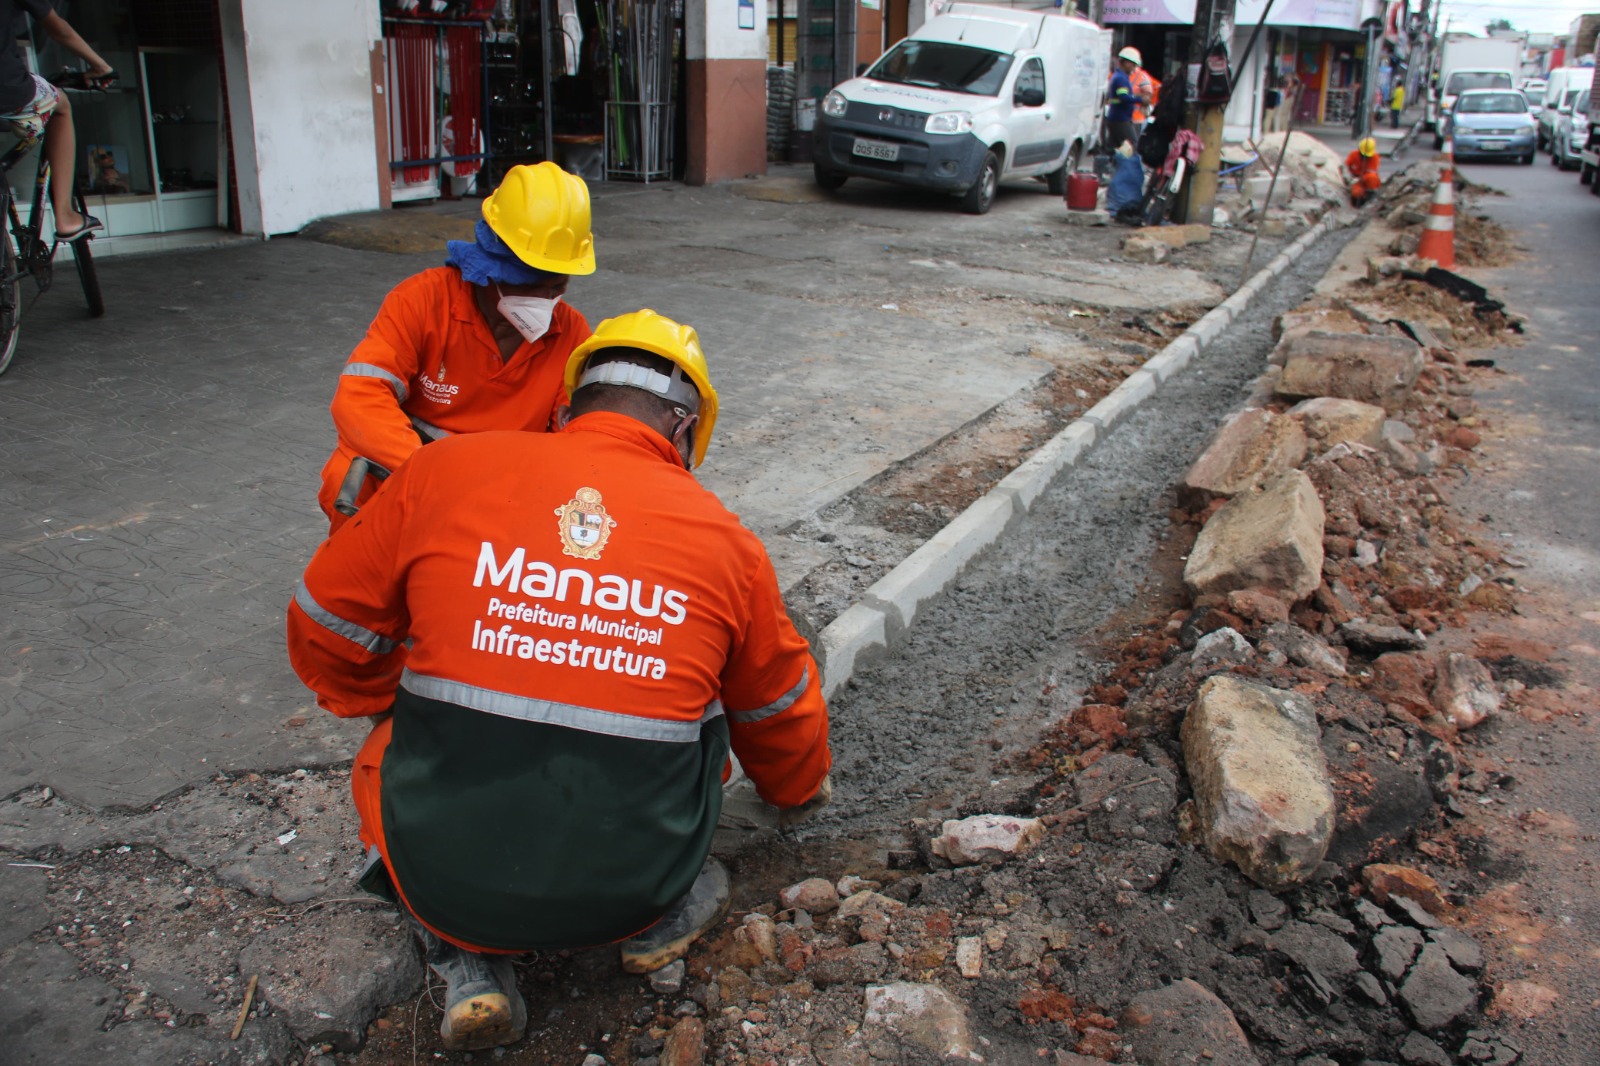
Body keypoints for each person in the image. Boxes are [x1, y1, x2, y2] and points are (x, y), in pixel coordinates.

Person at [287, 308, 834, 1053]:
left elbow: (324, 624)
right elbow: (776, 705)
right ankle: (667, 915)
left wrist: (389, 697)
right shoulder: (727, 543)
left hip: (450, 879)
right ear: (683, 433)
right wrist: (797, 793)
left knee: (386, 755)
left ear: (569, 406)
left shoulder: (442, 472)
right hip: (633, 886)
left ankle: (466, 960)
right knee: (704, 712)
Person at [317, 161, 596, 531]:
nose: (550, 298)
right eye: (536, 285)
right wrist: (430, 472)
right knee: (346, 473)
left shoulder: (571, 332)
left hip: (509, 486)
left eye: (559, 285)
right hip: (418, 469)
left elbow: (578, 435)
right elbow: (360, 396)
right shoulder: (422, 300)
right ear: (490, 274)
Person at [0, 0, 114, 242]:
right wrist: (100, 66)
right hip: (8, 89)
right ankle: (65, 217)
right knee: (60, 105)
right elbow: (58, 28)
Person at [1105, 48, 1138, 152]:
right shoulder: (1121, 78)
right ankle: (1125, 166)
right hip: (1120, 119)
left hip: (1116, 117)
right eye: (1132, 63)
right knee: (1130, 145)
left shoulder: (1121, 77)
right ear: (1125, 63)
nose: (1134, 66)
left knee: (1114, 147)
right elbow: (1123, 97)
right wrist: (1140, 99)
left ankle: (1113, 165)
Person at [1118, 47, 1158, 130]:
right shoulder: (1118, 75)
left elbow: (1148, 95)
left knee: (1129, 142)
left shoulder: (1141, 77)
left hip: (1135, 120)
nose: (1120, 63)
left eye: (1123, 61)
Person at [1344, 136, 1381, 206]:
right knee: (1357, 193)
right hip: (1356, 180)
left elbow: (1371, 173)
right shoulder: (1353, 155)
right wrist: (1349, 178)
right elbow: (1346, 167)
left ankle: (1371, 195)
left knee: (1372, 178)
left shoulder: (1375, 157)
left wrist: (1359, 179)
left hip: (1367, 179)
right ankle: (1359, 200)